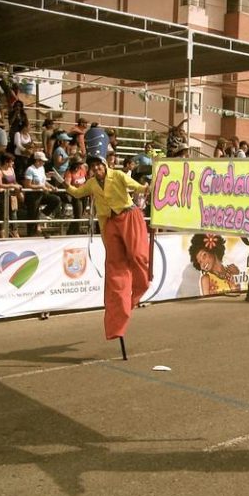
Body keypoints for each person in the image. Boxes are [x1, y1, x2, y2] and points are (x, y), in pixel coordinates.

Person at [69, 147, 150, 359]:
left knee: (138, 257)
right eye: (93, 166)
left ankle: (138, 290)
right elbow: (78, 193)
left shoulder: (119, 175)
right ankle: (118, 315)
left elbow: (138, 188)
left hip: (129, 217)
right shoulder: (92, 183)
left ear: (105, 164)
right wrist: (64, 183)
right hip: (111, 223)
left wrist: (148, 186)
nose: (97, 168)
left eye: (99, 165)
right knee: (115, 269)